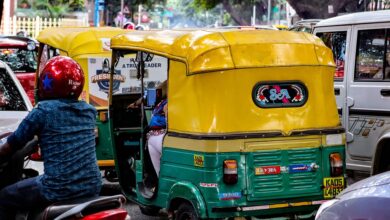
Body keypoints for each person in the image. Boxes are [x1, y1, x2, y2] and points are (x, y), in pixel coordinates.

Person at [0, 56, 102, 219]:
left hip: (57, 187)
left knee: (5, 196)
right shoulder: (89, 111)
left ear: (47, 83)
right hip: (92, 185)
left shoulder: (43, 111)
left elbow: (12, 144)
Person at [128, 80, 167, 176]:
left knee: (163, 168)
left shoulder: (168, 103)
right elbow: (147, 97)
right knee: (158, 171)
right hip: (152, 136)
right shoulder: (160, 101)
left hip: (162, 136)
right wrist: (135, 104)